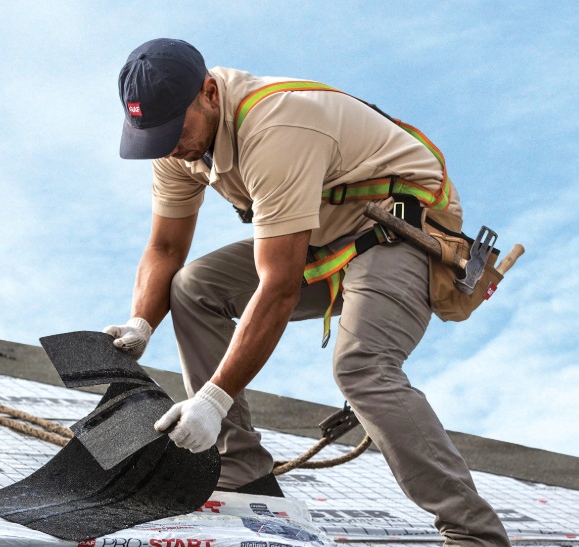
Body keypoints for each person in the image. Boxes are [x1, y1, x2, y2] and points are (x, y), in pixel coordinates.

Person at [104, 38, 510, 546]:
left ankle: (475, 534)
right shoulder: (175, 144)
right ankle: (244, 475)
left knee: (362, 368)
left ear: (209, 93)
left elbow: (279, 283)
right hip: (324, 239)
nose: (166, 147)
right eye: (152, 136)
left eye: (173, 131)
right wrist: (142, 321)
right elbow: (165, 247)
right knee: (193, 288)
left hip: (399, 233)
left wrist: (211, 401)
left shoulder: (276, 127)